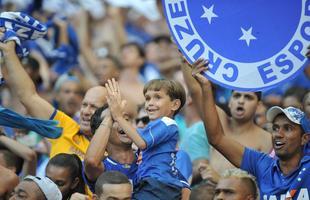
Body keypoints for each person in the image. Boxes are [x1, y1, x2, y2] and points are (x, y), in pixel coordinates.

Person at [190, 59, 309, 199]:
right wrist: (206, 87)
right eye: (275, 128)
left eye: (287, 128)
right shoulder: (262, 165)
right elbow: (217, 139)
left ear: (304, 138)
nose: (278, 134)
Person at [0, 35, 107, 159]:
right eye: (84, 105)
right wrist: (9, 52)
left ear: (108, 114)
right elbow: (28, 96)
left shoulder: (114, 152)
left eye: (93, 107)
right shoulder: (67, 127)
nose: (86, 112)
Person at [181, 58, 272, 175]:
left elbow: (266, 178)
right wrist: (183, 57)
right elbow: (196, 91)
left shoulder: (267, 139)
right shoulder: (220, 121)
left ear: (259, 106)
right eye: (237, 96)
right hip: (210, 192)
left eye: (248, 97)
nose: (241, 101)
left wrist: (218, 180)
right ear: (229, 102)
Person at [106, 78, 186, 199]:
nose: (150, 102)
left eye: (157, 97)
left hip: (158, 184)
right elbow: (134, 134)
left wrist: (118, 116)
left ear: (174, 104)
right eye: (147, 98)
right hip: (155, 184)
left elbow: (141, 143)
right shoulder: (154, 126)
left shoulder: (167, 122)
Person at [84, 102, 138, 191]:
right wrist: (110, 116)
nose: (123, 122)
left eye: (126, 119)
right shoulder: (101, 167)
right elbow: (91, 162)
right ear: (101, 132)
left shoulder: (146, 158)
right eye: (115, 119)